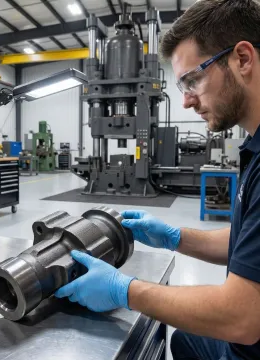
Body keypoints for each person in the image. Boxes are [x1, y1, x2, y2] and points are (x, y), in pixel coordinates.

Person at [55, 1, 260, 359]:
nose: (186, 102)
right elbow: (247, 242)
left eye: (193, 80)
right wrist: (175, 237)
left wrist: (125, 291)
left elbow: (241, 316)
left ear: (242, 59)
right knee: (182, 341)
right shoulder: (254, 147)